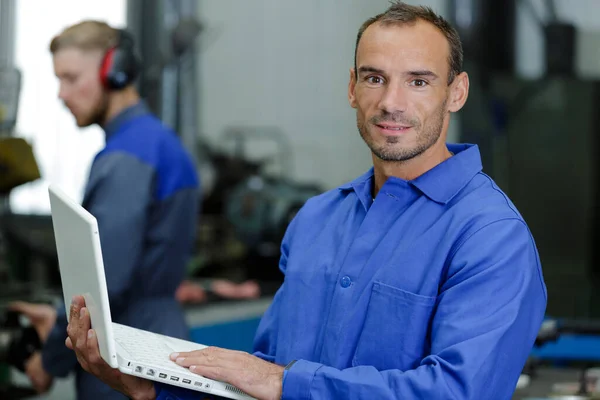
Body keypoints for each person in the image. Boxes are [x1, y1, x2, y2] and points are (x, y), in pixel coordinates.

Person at [63, 3, 547, 399]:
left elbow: (456, 393)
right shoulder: (316, 220)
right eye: (374, 78)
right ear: (352, 88)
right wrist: (151, 388)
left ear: (456, 92)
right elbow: (255, 384)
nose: (392, 102)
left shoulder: (491, 237)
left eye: (418, 81)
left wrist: (283, 381)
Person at [9, 20, 200, 400]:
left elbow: (103, 289)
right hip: (160, 342)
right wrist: (57, 317)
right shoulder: (160, 142)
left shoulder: (125, 159)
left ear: (114, 71)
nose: (62, 93)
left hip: (124, 358)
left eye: (71, 77)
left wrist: (48, 362)